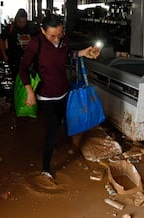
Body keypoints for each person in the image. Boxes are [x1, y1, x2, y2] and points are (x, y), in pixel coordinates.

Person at [18, 14, 99, 180]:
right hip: (45, 96)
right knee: (53, 131)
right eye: (52, 36)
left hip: (63, 92)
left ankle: (54, 144)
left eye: (59, 34)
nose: (56, 39)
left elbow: (68, 55)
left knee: (61, 123)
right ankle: (46, 168)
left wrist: (84, 53)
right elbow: (23, 69)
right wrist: (29, 91)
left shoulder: (63, 39)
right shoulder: (36, 43)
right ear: (42, 31)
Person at [0, 8, 39, 78]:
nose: (22, 24)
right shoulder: (11, 27)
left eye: (24, 22)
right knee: (16, 78)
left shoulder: (32, 27)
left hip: (29, 59)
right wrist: (4, 54)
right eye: (20, 22)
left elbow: (40, 39)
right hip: (14, 59)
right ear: (16, 20)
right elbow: (0, 39)